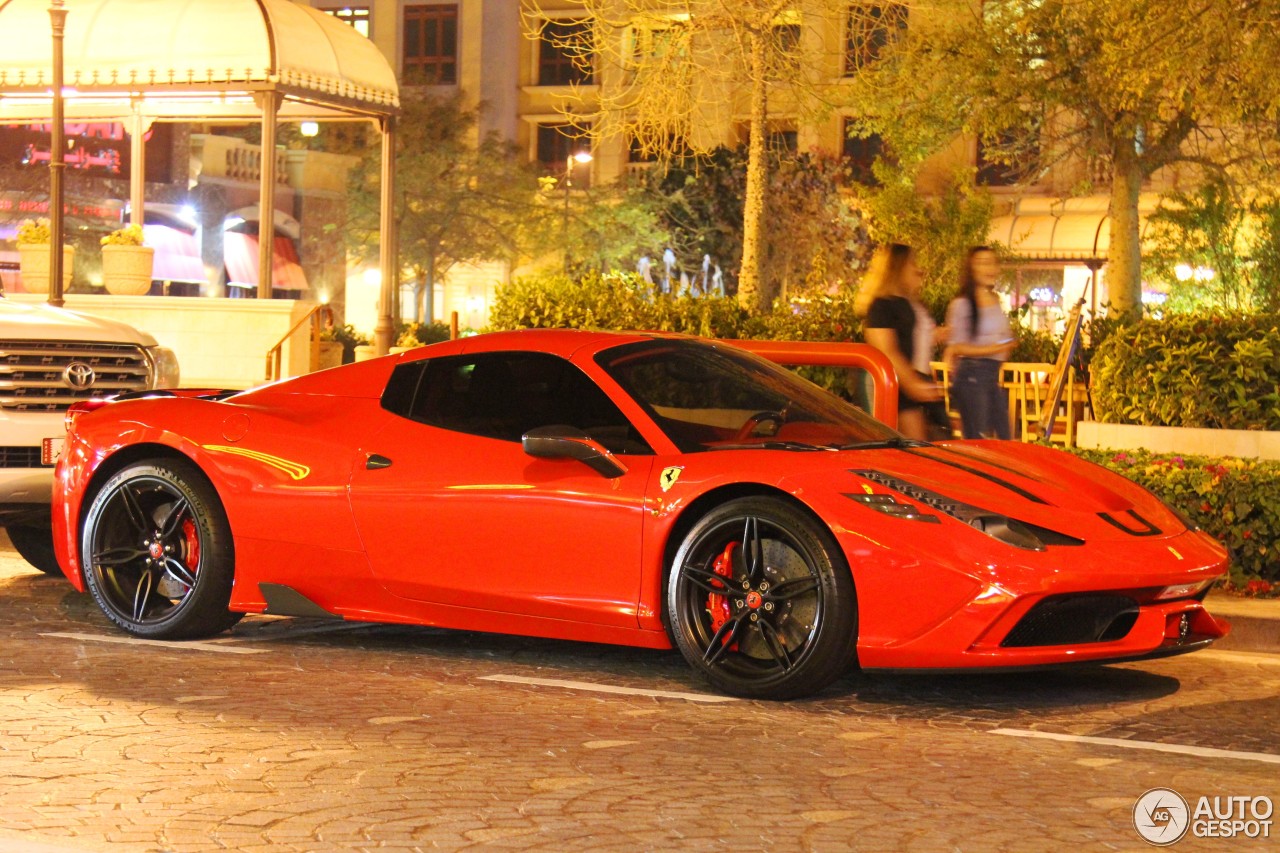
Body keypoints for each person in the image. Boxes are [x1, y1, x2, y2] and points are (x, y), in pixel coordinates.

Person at [855, 243, 946, 441]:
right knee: (895, 445)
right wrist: (913, 384)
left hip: (908, 382)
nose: (917, 268)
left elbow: (916, 343)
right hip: (889, 383)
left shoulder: (910, 303)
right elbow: (887, 350)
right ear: (897, 266)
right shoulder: (881, 306)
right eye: (911, 263)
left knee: (916, 445)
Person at [944, 246, 1015, 439]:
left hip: (991, 376)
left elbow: (1005, 335)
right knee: (979, 440)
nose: (990, 268)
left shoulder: (996, 300)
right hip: (972, 376)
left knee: (1004, 437)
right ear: (971, 268)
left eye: (993, 262)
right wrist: (997, 348)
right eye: (983, 263)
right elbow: (956, 347)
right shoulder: (962, 304)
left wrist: (1007, 344)